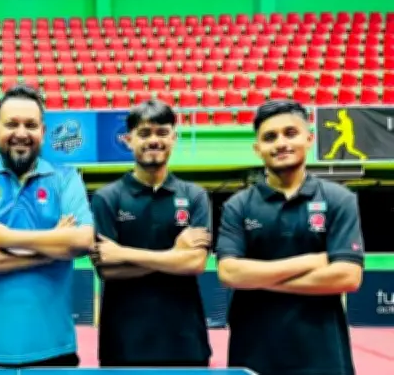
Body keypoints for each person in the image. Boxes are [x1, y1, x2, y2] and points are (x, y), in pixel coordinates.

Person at [0, 85, 95, 368]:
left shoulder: (66, 179)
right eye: (11, 124)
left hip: (56, 350)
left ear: (43, 131)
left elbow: (82, 241)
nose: (21, 133)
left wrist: (4, 238)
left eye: (30, 125)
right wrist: (52, 247)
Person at [216, 100, 364, 375]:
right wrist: (311, 261)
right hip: (254, 354)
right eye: (270, 137)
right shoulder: (238, 206)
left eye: (290, 133)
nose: (281, 143)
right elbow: (229, 273)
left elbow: (347, 277)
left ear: (309, 139)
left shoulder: (339, 199)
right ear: (257, 148)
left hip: (323, 354)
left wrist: (257, 280)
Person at [90, 100, 213, 368]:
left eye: (162, 132)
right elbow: (107, 269)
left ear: (174, 138)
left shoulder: (195, 196)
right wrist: (174, 257)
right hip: (123, 342)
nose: (154, 141)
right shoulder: (106, 198)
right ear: (128, 140)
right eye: (144, 133)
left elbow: (195, 263)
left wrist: (123, 253)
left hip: (185, 341)